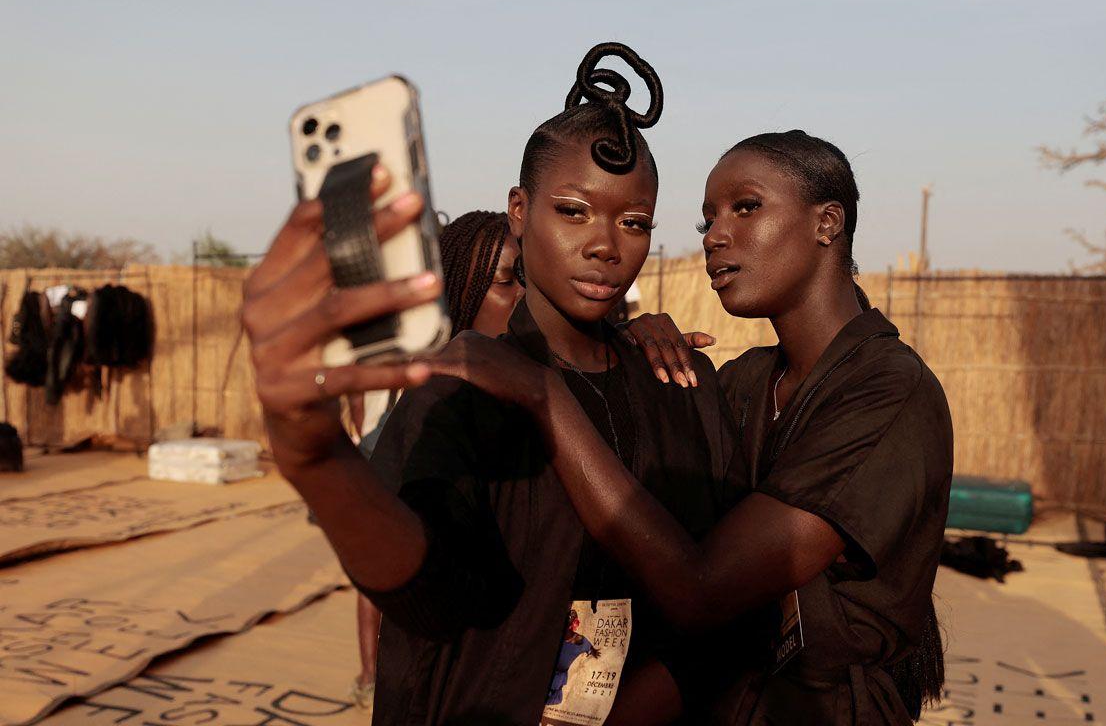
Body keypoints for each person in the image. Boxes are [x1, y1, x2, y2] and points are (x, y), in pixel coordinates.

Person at [244, 43, 749, 726]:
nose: (605, 244)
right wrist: (313, 454)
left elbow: (721, 613)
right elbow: (424, 589)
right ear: (520, 209)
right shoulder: (463, 384)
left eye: (633, 222)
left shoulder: (678, 386)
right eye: (573, 211)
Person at [430, 130, 954, 724]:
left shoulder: (888, 391)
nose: (715, 237)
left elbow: (703, 590)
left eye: (746, 207)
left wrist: (546, 398)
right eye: (707, 220)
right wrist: (624, 352)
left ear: (827, 223)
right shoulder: (745, 383)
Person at [351, 210, 522, 708]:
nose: (523, 299)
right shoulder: (438, 407)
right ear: (461, 292)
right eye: (506, 283)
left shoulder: (539, 389)